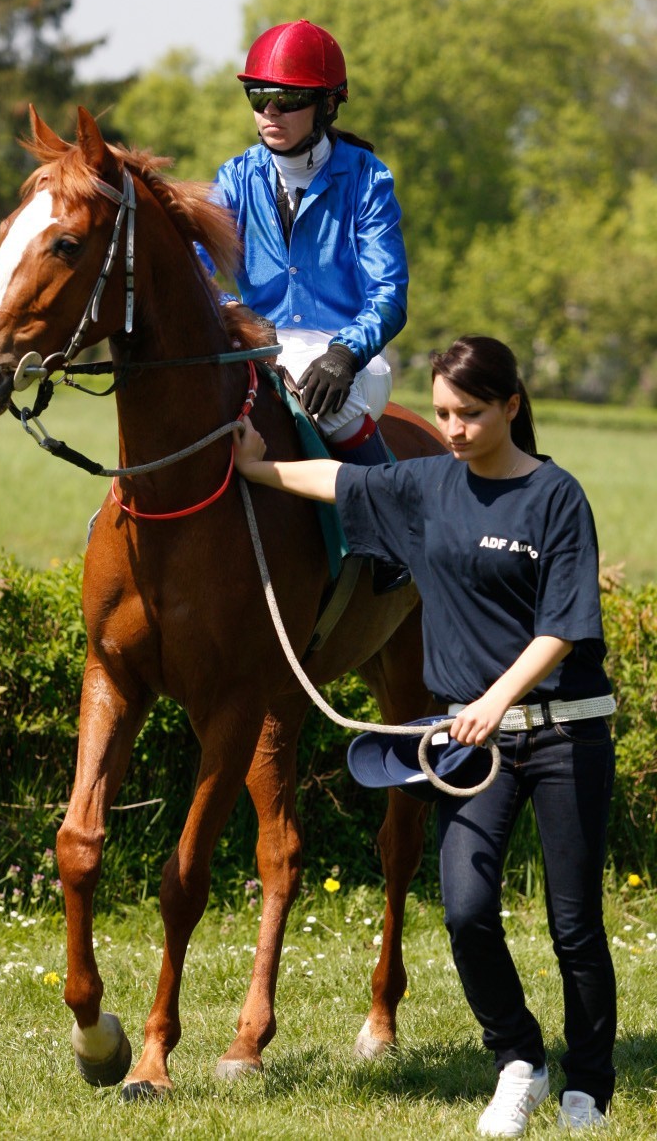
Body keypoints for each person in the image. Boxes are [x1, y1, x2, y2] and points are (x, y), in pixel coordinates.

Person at [233, 334, 616, 1136]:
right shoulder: (428, 486)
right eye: (443, 413)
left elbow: (563, 628)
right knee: (467, 912)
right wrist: (258, 467)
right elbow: (338, 480)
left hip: (561, 733)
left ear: (512, 405)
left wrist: (496, 699)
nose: (454, 429)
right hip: (468, 746)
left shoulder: (556, 498)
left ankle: (589, 1087)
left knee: (572, 923)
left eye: (471, 414)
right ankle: (520, 1060)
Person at [204, 18, 408, 469]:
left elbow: (389, 295)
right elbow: (190, 269)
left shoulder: (367, 179)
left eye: (289, 98)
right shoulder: (234, 179)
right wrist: (234, 310)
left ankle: (386, 516)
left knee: (323, 399)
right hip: (259, 355)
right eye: (258, 96)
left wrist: (345, 353)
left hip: (351, 366)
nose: (270, 111)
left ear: (328, 105)